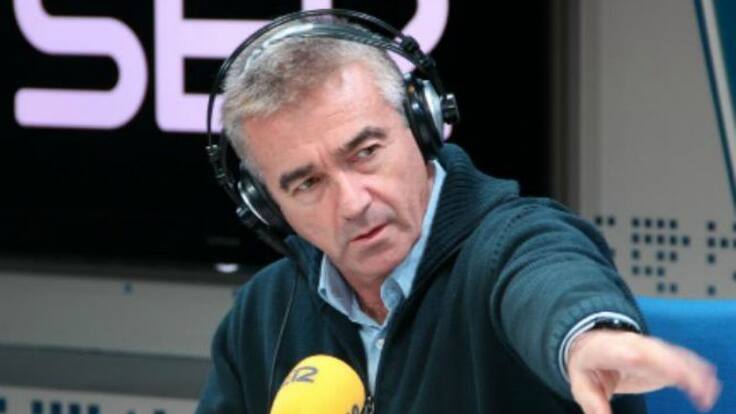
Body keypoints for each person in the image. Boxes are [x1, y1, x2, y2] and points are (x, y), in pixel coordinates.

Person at [197, 10, 721, 414]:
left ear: (422, 126)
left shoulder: (511, 245)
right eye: (308, 183)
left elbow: (549, 277)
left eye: (366, 152)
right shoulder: (263, 316)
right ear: (267, 205)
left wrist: (582, 339)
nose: (353, 202)